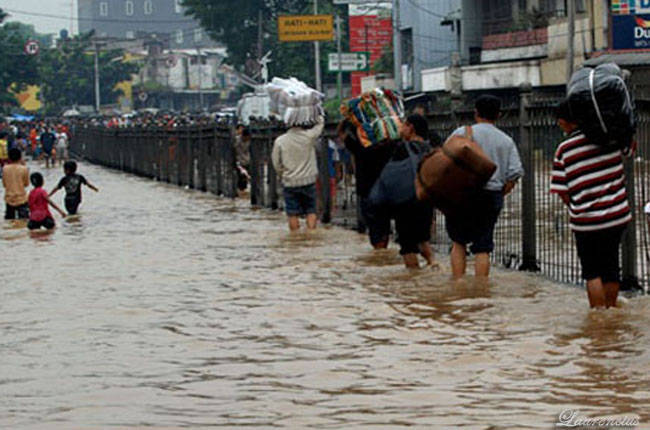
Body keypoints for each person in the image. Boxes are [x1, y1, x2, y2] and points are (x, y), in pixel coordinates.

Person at [551, 100, 632, 309]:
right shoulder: (609, 138)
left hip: (586, 221)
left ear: (564, 121)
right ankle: (612, 312)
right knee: (611, 267)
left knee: (592, 272)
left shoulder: (564, 149)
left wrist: (578, 206)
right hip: (616, 216)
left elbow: (562, 190)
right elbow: (630, 148)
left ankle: (598, 316)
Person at [446, 95, 524, 279]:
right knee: (483, 246)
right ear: (499, 115)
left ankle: (458, 285)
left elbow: (445, 161)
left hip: (462, 196)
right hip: (491, 196)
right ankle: (481, 289)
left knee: (458, 242)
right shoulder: (506, 141)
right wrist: (499, 192)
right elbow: (514, 174)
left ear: (475, 112)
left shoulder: (461, 133)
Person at [338, 120, 393, 247]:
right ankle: (384, 249)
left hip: (367, 191)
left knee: (374, 229)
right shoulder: (387, 145)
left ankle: (379, 251)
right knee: (385, 226)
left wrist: (347, 119)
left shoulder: (357, 146)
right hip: (386, 190)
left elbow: (341, 133)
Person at [391, 114, 436, 268]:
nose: (401, 128)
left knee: (408, 246)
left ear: (411, 128)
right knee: (423, 239)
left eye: (404, 125)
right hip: (425, 201)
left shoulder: (402, 149)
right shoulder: (430, 150)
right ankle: (434, 265)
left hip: (406, 203)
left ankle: (413, 279)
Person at [271, 116, 324, 231]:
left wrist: (283, 175)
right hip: (308, 181)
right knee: (311, 210)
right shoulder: (309, 137)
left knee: (292, 213)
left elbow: (276, 163)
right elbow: (320, 126)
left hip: (290, 183)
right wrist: (318, 115)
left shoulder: (280, 141)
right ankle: (311, 235)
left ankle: (295, 237)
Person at [2, 148, 30, 220]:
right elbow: (26, 184)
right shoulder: (24, 169)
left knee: (9, 221)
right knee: (24, 221)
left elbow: (4, 184)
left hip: (9, 198)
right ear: (20, 157)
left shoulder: (5, 169)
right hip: (22, 198)